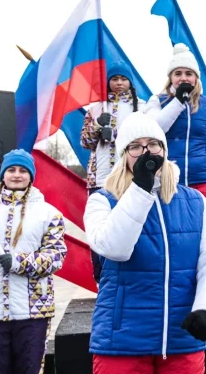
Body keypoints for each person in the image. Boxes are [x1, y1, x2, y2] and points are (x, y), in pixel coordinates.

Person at [84, 112, 206, 374]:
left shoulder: (194, 201)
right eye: (136, 146)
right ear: (123, 155)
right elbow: (114, 248)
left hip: (181, 339)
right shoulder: (102, 201)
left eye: (153, 144)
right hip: (122, 342)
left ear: (163, 150)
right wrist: (140, 190)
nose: (146, 152)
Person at [0, 149, 67, 374]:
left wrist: (19, 262)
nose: (17, 175)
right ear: (3, 174)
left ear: (31, 175)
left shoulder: (49, 214)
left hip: (33, 313)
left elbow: (56, 257)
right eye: (11, 170)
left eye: (22, 170)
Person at [144, 43, 206, 214]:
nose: (183, 78)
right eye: (178, 74)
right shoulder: (157, 101)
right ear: (171, 78)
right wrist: (178, 101)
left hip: (204, 181)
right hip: (167, 182)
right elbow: (154, 131)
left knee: (204, 234)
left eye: (188, 74)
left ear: (196, 78)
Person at [80, 60, 140, 283]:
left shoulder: (139, 107)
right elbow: (84, 141)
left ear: (130, 82)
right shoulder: (96, 108)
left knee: (128, 223)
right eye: (114, 79)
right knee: (100, 225)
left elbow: (142, 137)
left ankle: (129, 276)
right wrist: (97, 126)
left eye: (123, 79)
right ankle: (101, 277)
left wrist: (113, 135)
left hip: (129, 177)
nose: (119, 83)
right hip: (100, 178)